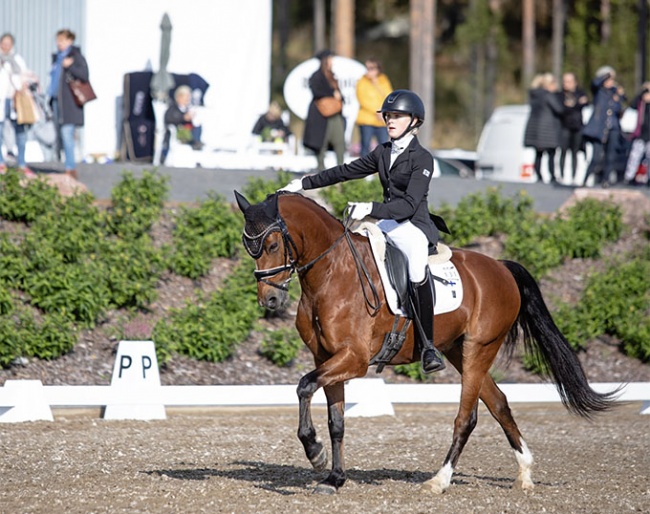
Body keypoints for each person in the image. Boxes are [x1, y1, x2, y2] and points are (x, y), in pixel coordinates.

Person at [280, 90, 445, 374]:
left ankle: (428, 345)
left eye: (397, 116)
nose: (390, 121)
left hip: (413, 226)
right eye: (388, 116)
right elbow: (345, 171)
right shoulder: (383, 152)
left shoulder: (423, 159)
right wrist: (303, 185)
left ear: (414, 121)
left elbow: (408, 205)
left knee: (417, 269)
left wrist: (371, 207)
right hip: (387, 223)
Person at [48, 29, 90, 180]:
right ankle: (66, 164)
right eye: (58, 40)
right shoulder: (56, 58)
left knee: (67, 134)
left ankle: (70, 168)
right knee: (59, 134)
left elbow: (84, 76)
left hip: (70, 104)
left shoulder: (76, 56)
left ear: (70, 41)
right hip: (56, 101)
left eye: (62, 40)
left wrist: (70, 66)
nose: (59, 43)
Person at [582, 65, 626, 187]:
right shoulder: (599, 92)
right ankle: (585, 179)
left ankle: (605, 180)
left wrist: (619, 96)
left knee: (611, 155)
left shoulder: (615, 94)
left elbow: (621, 107)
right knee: (596, 156)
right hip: (599, 128)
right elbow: (594, 83)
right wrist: (607, 74)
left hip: (613, 127)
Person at [303, 49, 346, 170]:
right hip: (320, 115)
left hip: (334, 114)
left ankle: (341, 169)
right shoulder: (316, 76)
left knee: (339, 142)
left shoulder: (332, 76)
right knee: (321, 143)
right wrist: (332, 94)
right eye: (330, 59)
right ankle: (321, 170)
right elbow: (317, 92)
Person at [0, 32, 33, 175]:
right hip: (2, 99)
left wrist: (22, 87)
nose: (6, 46)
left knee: (20, 130)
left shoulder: (17, 60)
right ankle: (1, 162)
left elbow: (25, 77)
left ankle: (21, 162)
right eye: (3, 43)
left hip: (16, 100)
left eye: (8, 43)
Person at [523, 73, 564, 184]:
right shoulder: (548, 96)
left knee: (539, 154)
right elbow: (559, 109)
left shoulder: (535, 95)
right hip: (548, 129)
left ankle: (539, 175)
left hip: (536, 129)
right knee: (551, 153)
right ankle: (552, 176)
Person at [355, 58, 392, 157]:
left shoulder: (383, 80)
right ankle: (364, 171)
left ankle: (383, 168)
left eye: (371, 68)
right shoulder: (362, 82)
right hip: (367, 119)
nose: (368, 71)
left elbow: (388, 96)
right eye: (367, 68)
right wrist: (376, 111)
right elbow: (362, 99)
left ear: (377, 69)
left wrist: (383, 111)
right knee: (365, 146)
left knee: (384, 146)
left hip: (381, 120)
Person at [559, 72, 589, 185]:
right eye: (565, 81)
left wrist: (573, 104)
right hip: (564, 126)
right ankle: (561, 176)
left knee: (575, 152)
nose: (566, 84)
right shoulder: (560, 95)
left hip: (577, 126)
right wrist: (576, 104)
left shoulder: (580, 92)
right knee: (563, 151)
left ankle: (574, 177)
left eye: (569, 81)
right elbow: (562, 108)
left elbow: (585, 103)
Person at [161, 85, 203, 164]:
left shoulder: (188, 108)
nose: (188, 99)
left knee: (197, 127)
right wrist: (183, 118)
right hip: (177, 132)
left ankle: (197, 144)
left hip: (188, 132)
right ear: (179, 97)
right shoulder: (172, 108)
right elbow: (170, 119)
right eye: (186, 96)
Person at [623, 82, 650, 185]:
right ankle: (629, 177)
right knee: (634, 156)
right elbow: (632, 105)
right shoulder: (641, 102)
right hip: (641, 133)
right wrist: (642, 92)